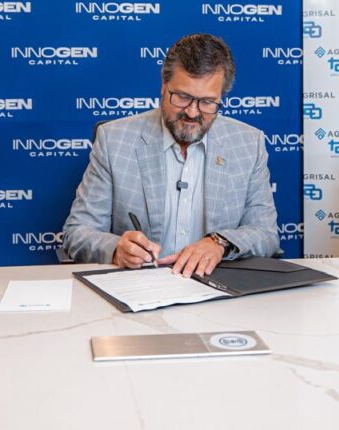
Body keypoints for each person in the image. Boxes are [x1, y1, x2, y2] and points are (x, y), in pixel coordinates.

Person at [63, 33, 280, 278]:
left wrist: (220, 243)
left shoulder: (249, 143)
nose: (192, 112)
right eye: (183, 97)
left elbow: (266, 234)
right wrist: (115, 249)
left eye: (207, 102)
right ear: (163, 87)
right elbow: (77, 231)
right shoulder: (114, 139)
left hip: (218, 288)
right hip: (139, 287)